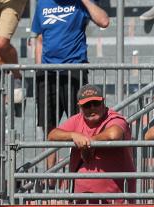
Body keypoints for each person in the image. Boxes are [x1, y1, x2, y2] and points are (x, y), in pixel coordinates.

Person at [32, 0, 110, 171]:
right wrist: (38, 71)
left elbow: (104, 21)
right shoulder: (42, 4)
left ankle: (80, 171)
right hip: (47, 75)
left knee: (82, 125)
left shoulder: (79, 4)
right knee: (49, 128)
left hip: (75, 72)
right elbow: (39, 39)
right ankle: (49, 179)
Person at [47, 84, 135, 199]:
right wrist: (73, 135)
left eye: (96, 103)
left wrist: (89, 143)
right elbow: (52, 135)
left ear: (103, 103)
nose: (92, 108)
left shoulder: (114, 118)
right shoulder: (77, 119)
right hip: (81, 199)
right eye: (87, 105)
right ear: (80, 106)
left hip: (115, 200)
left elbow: (114, 134)